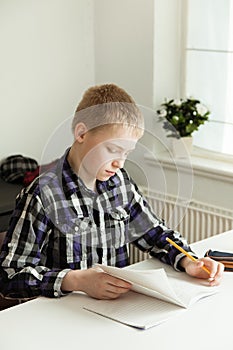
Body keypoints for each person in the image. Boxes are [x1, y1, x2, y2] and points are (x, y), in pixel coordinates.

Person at [0, 84, 224, 301]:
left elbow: (154, 233)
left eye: (126, 153)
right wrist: (75, 280)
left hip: (116, 312)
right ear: (81, 133)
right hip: (62, 316)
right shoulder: (41, 195)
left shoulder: (120, 183)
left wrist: (189, 261)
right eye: (113, 150)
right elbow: (9, 277)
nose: (119, 162)